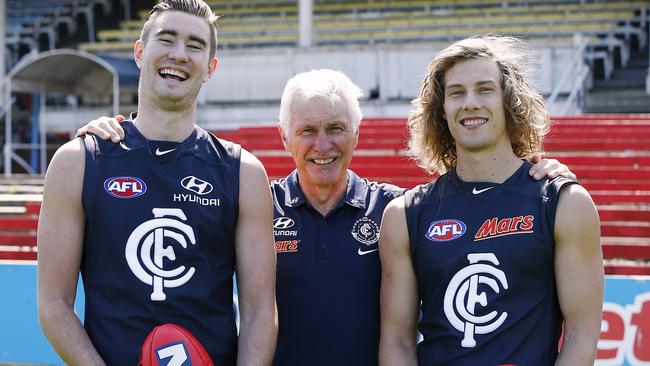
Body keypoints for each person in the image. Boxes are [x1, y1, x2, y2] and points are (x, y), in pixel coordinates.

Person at [77, 69, 576, 365]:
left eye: (336, 128)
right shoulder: (254, 208)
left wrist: (533, 165)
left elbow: (474, 208)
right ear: (284, 137)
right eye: (308, 130)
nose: (322, 144)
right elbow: (167, 209)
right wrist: (116, 137)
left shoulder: (396, 211)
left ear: (357, 136)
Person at [37, 1, 278, 365]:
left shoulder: (243, 172)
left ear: (210, 68)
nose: (179, 54)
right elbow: (53, 305)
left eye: (195, 45)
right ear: (139, 52)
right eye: (167, 39)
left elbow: (260, 312)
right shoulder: (77, 162)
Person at [378, 36, 604, 366]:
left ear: (508, 101)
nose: (470, 103)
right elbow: (397, 339)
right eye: (456, 93)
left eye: (484, 89)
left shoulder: (563, 203)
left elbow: (582, 335)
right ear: (442, 110)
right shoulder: (405, 215)